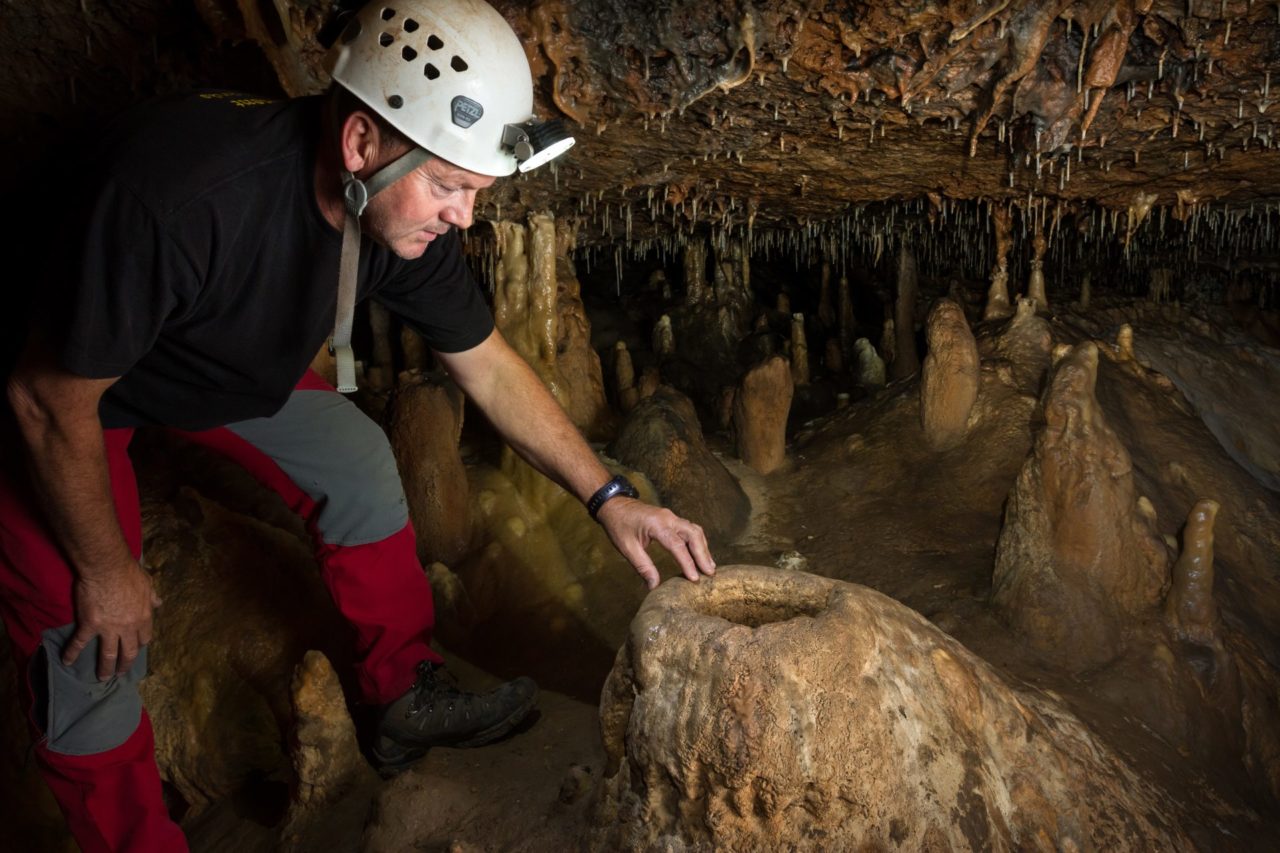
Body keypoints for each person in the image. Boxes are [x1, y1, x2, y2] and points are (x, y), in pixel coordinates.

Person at [0, 1, 716, 850]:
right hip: (57, 384)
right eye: (452, 187)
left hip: (197, 358)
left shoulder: (386, 207)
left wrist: (609, 495)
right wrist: (106, 567)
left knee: (358, 460)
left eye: (475, 191)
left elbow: (487, 363)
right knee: (93, 645)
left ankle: (402, 692)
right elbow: (48, 401)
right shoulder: (186, 198)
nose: (465, 217)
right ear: (360, 145)